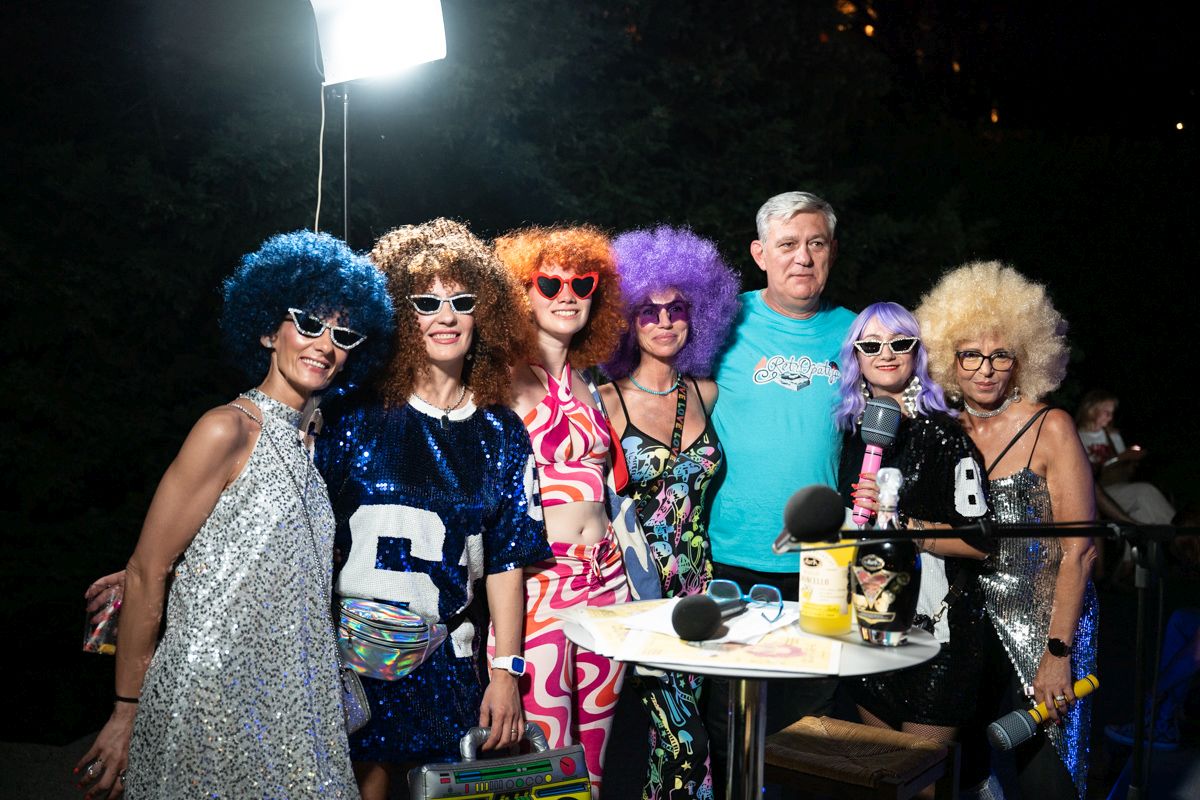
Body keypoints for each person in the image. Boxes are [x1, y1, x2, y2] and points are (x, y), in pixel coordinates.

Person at [75, 231, 395, 800]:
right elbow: (148, 567)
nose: (325, 345)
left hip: (297, 698)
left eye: (343, 334)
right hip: (211, 693)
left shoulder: (313, 446)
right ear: (269, 330)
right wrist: (126, 710)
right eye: (309, 323)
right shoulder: (227, 428)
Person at [315, 219, 551, 800]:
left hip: (448, 666)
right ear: (400, 313)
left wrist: (507, 673)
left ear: (484, 315)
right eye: (426, 302)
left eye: (461, 302)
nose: (446, 317)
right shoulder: (351, 414)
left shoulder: (501, 431)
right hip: (349, 665)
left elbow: (506, 563)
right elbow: (290, 520)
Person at [916, 260, 1098, 799]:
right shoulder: (944, 430)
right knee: (969, 778)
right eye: (970, 354)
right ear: (949, 359)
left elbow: (1081, 552)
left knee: (1048, 781)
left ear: (1023, 360)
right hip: (966, 632)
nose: (986, 369)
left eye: (1001, 355)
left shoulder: (1051, 427)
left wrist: (1058, 652)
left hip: (1045, 628)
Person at [704, 191, 856, 758]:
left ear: (832, 251)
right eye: (787, 244)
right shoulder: (722, 323)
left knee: (809, 730)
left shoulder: (856, 333)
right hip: (729, 555)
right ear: (760, 253)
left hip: (824, 560)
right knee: (730, 726)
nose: (803, 257)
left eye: (816, 243)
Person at [599, 226, 740, 800]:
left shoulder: (707, 393)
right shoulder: (606, 401)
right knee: (682, 742)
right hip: (636, 592)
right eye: (648, 311)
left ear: (696, 315)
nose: (664, 321)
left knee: (677, 741)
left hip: (699, 593)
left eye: (676, 308)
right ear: (626, 321)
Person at [495, 225, 630, 798]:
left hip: (609, 581)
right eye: (549, 284)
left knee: (595, 766)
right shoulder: (499, 380)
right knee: (549, 765)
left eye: (582, 283)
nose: (567, 295)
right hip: (540, 586)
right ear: (521, 293)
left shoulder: (590, 382)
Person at [833, 302, 991, 751]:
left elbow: (981, 544)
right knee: (879, 771)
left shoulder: (945, 434)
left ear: (917, 353)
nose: (886, 354)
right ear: (856, 356)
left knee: (919, 779)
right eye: (871, 345)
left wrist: (903, 524)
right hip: (867, 626)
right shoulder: (850, 433)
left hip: (935, 637)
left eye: (900, 343)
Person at [1075, 389, 1174, 525]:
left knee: (1144, 513)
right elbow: (1085, 472)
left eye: (1112, 413)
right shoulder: (1077, 436)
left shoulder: (1112, 435)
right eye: (1107, 413)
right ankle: (1180, 530)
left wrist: (1133, 458)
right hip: (1097, 493)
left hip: (1120, 486)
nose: (1110, 417)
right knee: (1145, 492)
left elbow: (1124, 463)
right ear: (1092, 410)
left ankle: (1173, 531)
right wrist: (1118, 458)